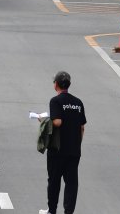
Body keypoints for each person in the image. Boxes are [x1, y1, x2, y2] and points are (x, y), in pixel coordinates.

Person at [40, 71, 86, 214]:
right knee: (71, 183)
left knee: (54, 181)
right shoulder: (78, 102)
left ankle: (52, 210)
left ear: (56, 85)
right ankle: (68, 212)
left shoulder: (56, 101)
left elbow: (58, 122)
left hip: (57, 149)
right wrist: (77, 144)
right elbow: (82, 127)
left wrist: (44, 120)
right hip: (74, 150)